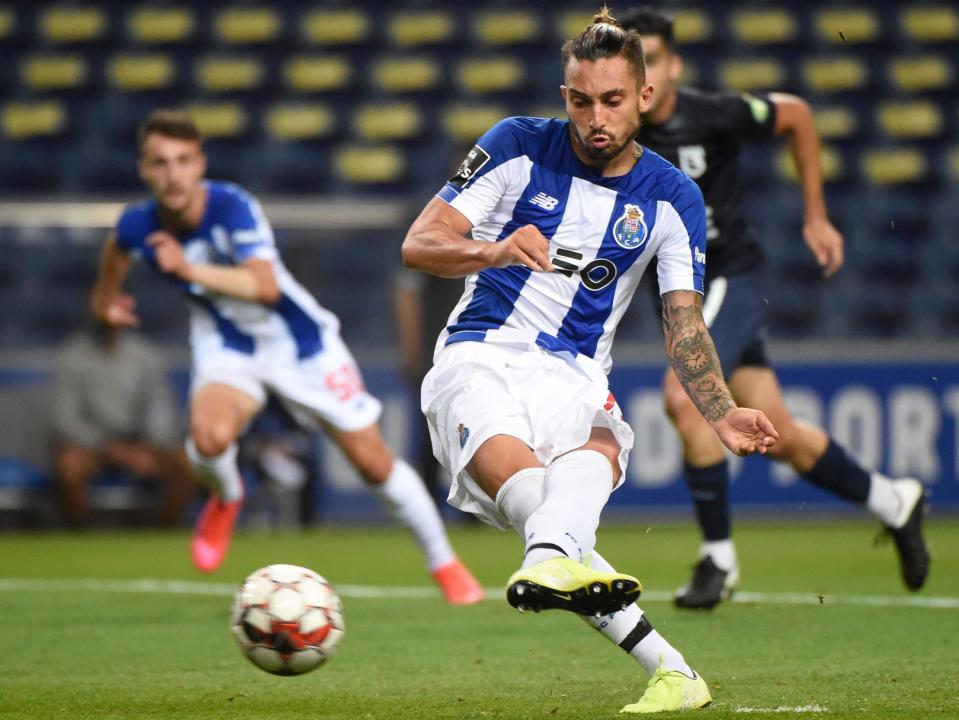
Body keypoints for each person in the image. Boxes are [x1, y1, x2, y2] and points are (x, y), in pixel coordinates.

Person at [403, 9, 779, 713]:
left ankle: (671, 671)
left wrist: (721, 412)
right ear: (563, 95)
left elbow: (683, 323)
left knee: (593, 449)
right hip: (480, 353)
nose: (594, 118)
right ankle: (551, 556)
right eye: (580, 101)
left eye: (611, 100)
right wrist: (491, 248)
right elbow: (421, 242)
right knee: (527, 483)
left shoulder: (672, 198)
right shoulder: (516, 145)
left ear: (643, 96)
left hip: (574, 371)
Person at [88, 109, 483, 605]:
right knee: (207, 440)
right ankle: (228, 496)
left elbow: (264, 285)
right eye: (160, 163)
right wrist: (104, 299)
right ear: (144, 169)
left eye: (183, 161)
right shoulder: (137, 223)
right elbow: (116, 249)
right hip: (227, 343)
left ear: (199, 164)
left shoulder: (231, 206)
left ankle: (445, 564)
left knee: (373, 463)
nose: (173, 174)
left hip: (300, 343)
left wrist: (186, 267)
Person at [619, 6, 930, 609]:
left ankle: (718, 559)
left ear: (674, 65)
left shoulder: (712, 115)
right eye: (636, 63)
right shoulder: (615, 133)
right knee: (778, 433)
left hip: (729, 275)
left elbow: (797, 114)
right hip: (684, 294)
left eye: (654, 59)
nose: (646, 74)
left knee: (686, 393)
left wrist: (816, 215)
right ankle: (895, 501)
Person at [52, 320, 195, 527]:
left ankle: (166, 530)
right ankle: (79, 533)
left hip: (141, 441)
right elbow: (65, 418)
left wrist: (152, 444)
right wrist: (108, 447)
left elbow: (160, 409)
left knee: (186, 465)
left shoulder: (145, 354)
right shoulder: (72, 355)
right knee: (69, 467)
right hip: (91, 445)